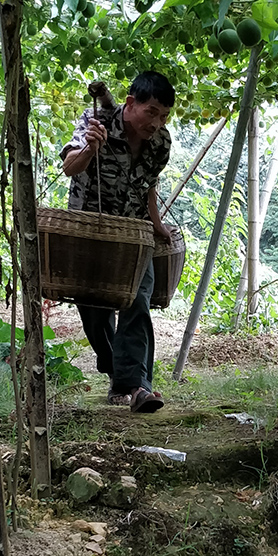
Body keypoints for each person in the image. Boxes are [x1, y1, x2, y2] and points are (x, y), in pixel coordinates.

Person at [60, 71, 176, 413]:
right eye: (151, 112)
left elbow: (149, 187)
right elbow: (69, 167)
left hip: (135, 236)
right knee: (95, 314)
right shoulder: (96, 121)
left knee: (137, 302)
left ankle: (138, 387)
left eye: (164, 115)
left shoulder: (161, 143)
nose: (156, 122)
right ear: (130, 103)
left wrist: (157, 226)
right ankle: (118, 372)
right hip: (91, 233)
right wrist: (91, 148)